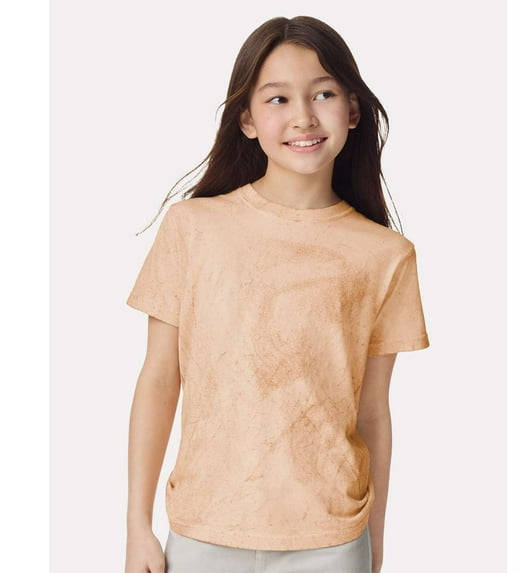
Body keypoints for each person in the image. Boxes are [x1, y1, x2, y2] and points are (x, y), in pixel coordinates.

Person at [124, 15, 429, 573]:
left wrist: (376, 543)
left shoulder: (386, 255)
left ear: (353, 109)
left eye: (324, 93)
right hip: (203, 529)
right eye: (278, 99)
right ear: (247, 119)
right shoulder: (193, 228)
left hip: (332, 541)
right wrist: (136, 527)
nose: (303, 116)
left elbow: (373, 414)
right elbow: (160, 379)